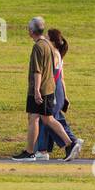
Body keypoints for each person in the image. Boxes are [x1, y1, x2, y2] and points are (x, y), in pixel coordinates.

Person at [12, 17, 75, 161]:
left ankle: (30, 153)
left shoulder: (38, 46)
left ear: (31, 31)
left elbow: (38, 71)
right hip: (49, 88)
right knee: (46, 119)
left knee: (35, 118)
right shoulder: (48, 45)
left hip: (40, 89)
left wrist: (36, 91)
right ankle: (69, 144)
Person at [34, 28, 82, 160]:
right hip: (59, 89)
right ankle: (69, 142)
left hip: (53, 89)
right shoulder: (58, 54)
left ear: (53, 41)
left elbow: (50, 76)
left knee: (46, 119)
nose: (45, 39)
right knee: (54, 118)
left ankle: (47, 150)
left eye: (47, 38)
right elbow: (61, 77)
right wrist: (65, 96)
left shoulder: (53, 53)